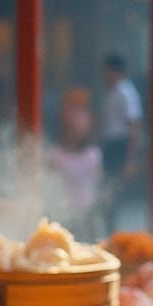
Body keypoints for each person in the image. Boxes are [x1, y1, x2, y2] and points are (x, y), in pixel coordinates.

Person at [46, 88, 102, 241]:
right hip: (62, 216)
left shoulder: (93, 156)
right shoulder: (54, 155)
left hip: (87, 214)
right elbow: (49, 189)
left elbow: (97, 187)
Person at [99, 54, 142, 232]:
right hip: (110, 144)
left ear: (114, 71)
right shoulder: (112, 92)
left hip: (120, 145)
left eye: (106, 71)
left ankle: (114, 232)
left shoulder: (126, 93)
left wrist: (130, 160)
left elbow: (134, 125)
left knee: (114, 192)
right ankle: (109, 230)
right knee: (106, 190)